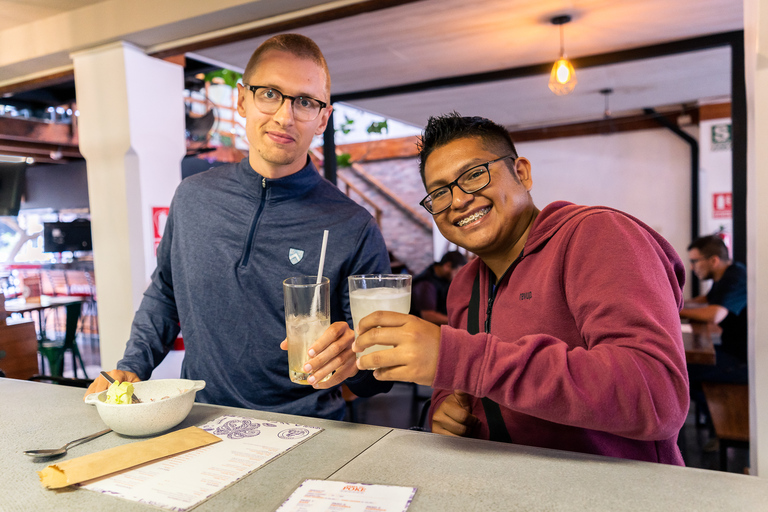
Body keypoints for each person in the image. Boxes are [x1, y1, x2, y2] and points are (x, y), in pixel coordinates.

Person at [353, 113, 689, 465]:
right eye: (439, 192)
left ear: (522, 173)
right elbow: (458, 386)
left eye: (473, 175)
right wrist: (446, 411)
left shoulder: (597, 236)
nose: (458, 200)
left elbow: (657, 395)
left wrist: (459, 358)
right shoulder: (463, 286)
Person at [85, 34, 392, 419]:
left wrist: (356, 361)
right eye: (270, 94)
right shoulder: (192, 198)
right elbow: (166, 291)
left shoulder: (353, 226)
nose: (285, 116)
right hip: (201, 422)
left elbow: (377, 378)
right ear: (242, 100)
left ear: (322, 119)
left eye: (304, 102)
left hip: (310, 431)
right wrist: (132, 366)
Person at [680, 235, 747, 398]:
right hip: (730, 351)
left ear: (714, 261)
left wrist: (674, 311)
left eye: (695, 261)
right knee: (681, 366)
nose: (691, 267)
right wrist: (678, 302)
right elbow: (705, 300)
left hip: (742, 362)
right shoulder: (727, 275)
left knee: (676, 370)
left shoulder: (735, 277)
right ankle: (706, 412)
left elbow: (714, 315)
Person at [410, 251, 467, 325]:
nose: (459, 277)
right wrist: (458, 322)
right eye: (457, 272)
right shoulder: (425, 285)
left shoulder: (443, 276)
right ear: (447, 266)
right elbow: (428, 316)